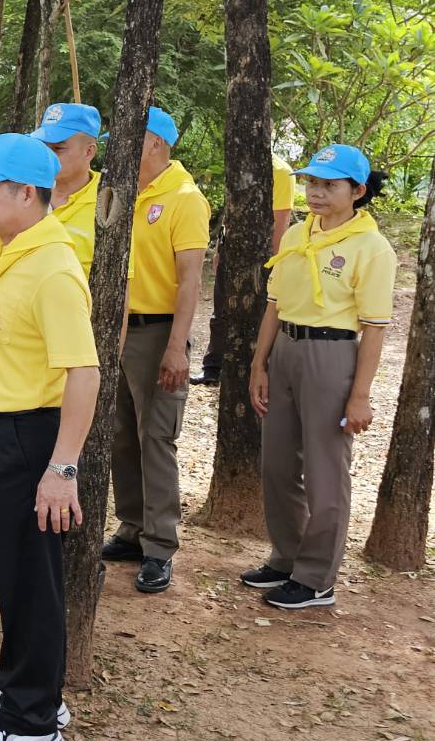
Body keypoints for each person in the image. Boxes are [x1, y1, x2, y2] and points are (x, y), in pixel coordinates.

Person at [0, 134, 100, 741]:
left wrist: (62, 468)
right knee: (17, 572)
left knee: (32, 577)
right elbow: (8, 352)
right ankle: (25, 690)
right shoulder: (13, 254)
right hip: (3, 428)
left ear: (26, 194)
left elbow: (81, 374)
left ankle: (33, 725)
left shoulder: (52, 268)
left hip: (36, 439)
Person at [243, 145, 394, 609]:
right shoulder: (296, 235)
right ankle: (286, 558)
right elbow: (274, 304)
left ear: (357, 191)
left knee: (326, 471)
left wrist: (360, 396)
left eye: (329, 185)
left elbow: (374, 328)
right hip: (286, 348)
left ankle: (316, 578)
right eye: (312, 182)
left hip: (332, 357)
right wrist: (258, 364)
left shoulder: (372, 248)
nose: (316, 192)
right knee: (278, 464)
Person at [103, 107, 210, 594]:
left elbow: (190, 279)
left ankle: (160, 546)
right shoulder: (124, 192)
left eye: (128, 138)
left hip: (158, 332)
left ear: (155, 143)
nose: (116, 148)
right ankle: (131, 527)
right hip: (118, 329)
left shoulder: (185, 199)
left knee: (156, 438)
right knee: (122, 432)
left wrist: (176, 348)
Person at [192, 152, 296, 385]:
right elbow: (231, 213)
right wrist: (221, 247)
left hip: (261, 254)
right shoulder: (240, 160)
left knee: (261, 312)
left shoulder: (280, 171)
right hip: (233, 248)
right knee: (220, 310)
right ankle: (213, 367)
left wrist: (274, 262)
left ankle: (258, 367)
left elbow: (281, 219)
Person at [31, 102, 103, 275]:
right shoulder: (26, 194)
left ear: (89, 152)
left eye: (58, 148)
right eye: (44, 147)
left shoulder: (109, 202)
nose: (48, 155)